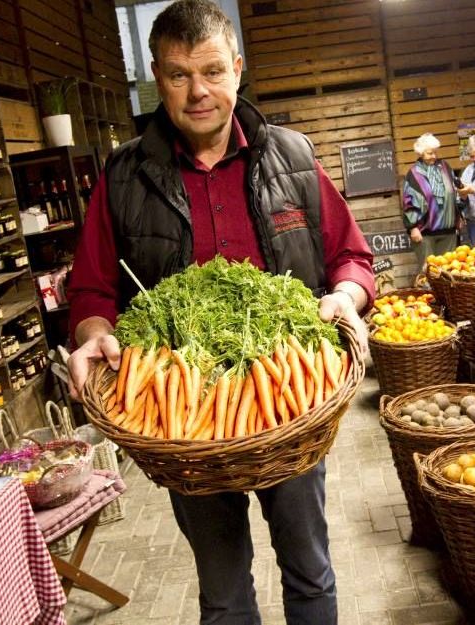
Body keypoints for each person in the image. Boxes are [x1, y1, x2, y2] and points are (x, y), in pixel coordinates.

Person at [63, 1, 375, 623]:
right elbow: (93, 293)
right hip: (183, 427)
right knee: (224, 593)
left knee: (310, 572)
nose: (198, 91)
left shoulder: (291, 156)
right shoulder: (124, 176)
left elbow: (353, 258)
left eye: (211, 71)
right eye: (178, 75)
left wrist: (345, 296)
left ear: (237, 68)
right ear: (157, 77)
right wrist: (94, 333)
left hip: (289, 406)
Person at [402, 133, 459, 268]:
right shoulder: (414, 174)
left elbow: (456, 189)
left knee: (449, 271)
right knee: (429, 272)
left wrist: (459, 215)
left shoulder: (445, 167)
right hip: (425, 233)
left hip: (448, 231)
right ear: (421, 154)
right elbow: (408, 202)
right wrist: (413, 227)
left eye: (435, 152)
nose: (433, 156)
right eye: (429, 153)